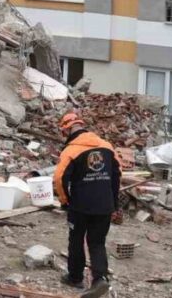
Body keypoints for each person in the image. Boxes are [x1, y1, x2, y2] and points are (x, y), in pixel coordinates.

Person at [54, 112, 120, 296]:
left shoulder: (71, 150)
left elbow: (59, 178)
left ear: (66, 129)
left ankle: (75, 277)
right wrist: (114, 202)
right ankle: (100, 279)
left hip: (80, 205)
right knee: (97, 242)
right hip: (104, 204)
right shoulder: (107, 146)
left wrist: (65, 200)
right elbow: (117, 175)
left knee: (76, 240)